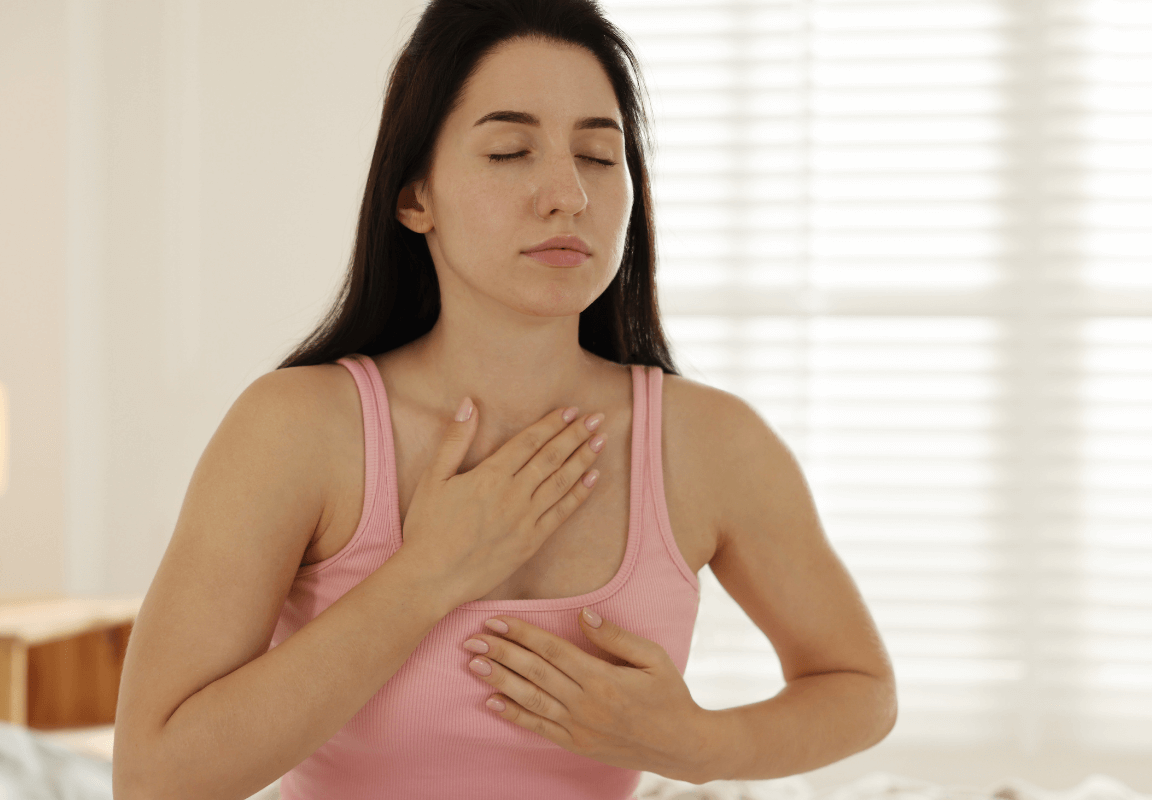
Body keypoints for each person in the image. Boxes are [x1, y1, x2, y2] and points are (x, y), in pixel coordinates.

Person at [112, 2, 897, 799]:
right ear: (415, 195)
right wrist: (425, 577)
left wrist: (696, 742)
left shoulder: (709, 444)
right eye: (511, 151)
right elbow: (154, 778)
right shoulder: (299, 429)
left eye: (597, 156)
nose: (567, 195)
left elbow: (860, 689)